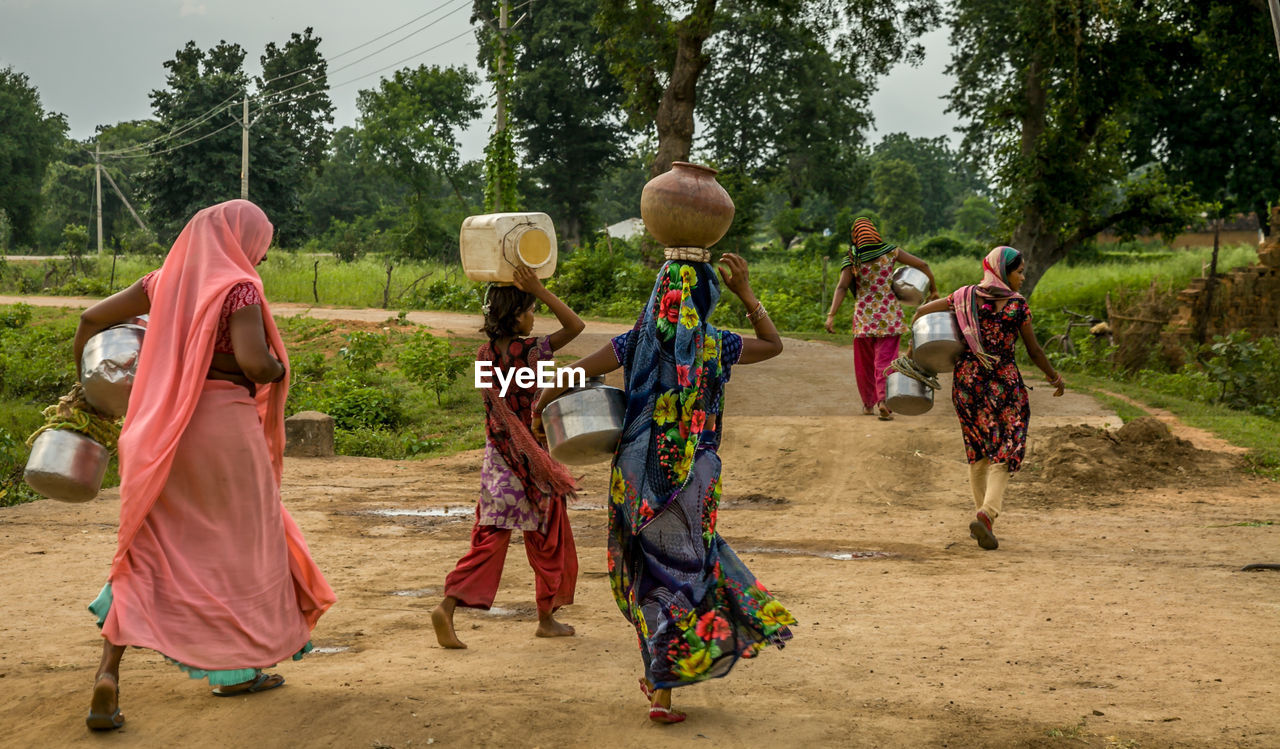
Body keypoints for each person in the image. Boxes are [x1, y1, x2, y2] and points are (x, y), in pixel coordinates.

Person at [73, 200, 336, 731]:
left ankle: (109, 675)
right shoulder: (238, 288)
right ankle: (236, 669)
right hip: (224, 431)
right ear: (242, 240)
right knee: (241, 546)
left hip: (162, 431)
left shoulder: (160, 282)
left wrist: (88, 386)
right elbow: (254, 362)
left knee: (149, 548)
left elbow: (90, 319)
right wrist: (281, 365)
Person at [533, 252, 795, 725]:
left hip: (637, 480)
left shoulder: (633, 343)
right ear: (706, 297)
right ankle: (665, 681)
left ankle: (660, 686)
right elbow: (774, 345)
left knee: (649, 578)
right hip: (696, 480)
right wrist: (748, 294)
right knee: (685, 572)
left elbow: (568, 375)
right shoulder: (718, 345)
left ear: (658, 295)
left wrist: (541, 408)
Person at [431, 265, 585, 649]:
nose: (535, 316)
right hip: (533, 463)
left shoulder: (484, 355)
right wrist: (542, 290)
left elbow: (494, 412)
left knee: (489, 539)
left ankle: (448, 607)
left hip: (497, 462)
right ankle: (546, 618)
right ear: (517, 315)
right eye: (531, 308)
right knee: (547, 537)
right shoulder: (532, 350)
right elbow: (576, 326)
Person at [911, 246, 1064, 550]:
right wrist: (1053, 376)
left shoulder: (963, 296)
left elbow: (920, 313)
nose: (1023, 277)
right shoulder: (1017, 305)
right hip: (1002, 381)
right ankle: (987, 513)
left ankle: (984, 521)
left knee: (978, 449)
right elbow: (1034, 351)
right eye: (1019, 271)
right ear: (1004, 271)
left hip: (967, 381)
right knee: (1007, 446)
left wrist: (914, 349)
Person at [825, 216, 937, 420]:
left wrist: (831, 315)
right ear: (874, 232)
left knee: (864, 363)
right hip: (889, 317)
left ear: (855, 236)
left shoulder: (853, 257)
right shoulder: (891, 251)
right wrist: (934, 289)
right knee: (885, 360)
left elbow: (841, 287)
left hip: (863, 319)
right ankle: (884, 401)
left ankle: (868, 404)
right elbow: (922, 264)